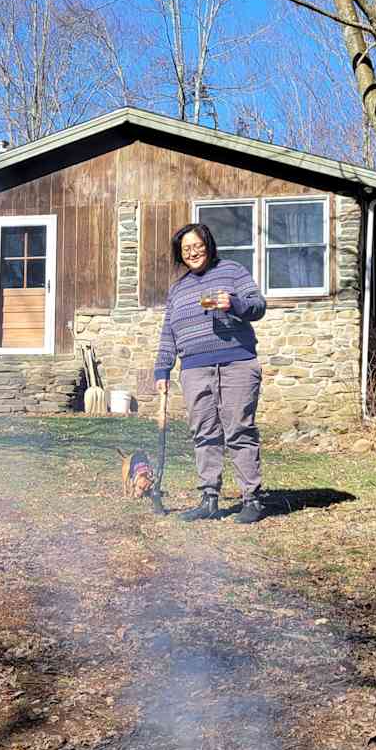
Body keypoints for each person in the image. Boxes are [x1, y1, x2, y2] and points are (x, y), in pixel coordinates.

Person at [154, 221, 267, 523]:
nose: (193, 252)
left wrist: (234, 304)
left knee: (239, 430)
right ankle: (209, 499)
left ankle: (252, 499)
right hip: (194, 369)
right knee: (204, 433)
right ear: (180, 254)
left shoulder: (232, 271)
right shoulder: (177, 289)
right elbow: (169, 332)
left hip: (237, 363)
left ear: (208, 245)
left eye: (197, 246)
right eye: (186, 248)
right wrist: (162, 369)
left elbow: (258, 306)